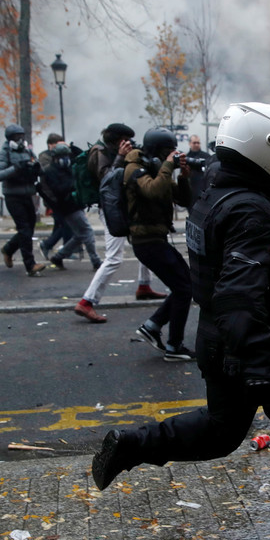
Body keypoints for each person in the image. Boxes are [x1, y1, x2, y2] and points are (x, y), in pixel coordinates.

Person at [90, 102, 270, 540]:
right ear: (264, 146)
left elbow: (229, 265)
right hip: (259, 342)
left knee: (221, 431)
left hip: (220, 337)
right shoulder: (249, 207)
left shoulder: (217, 192)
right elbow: (240, 290)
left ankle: (135, 444)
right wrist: (260, 361)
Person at [74, 123, 165, 324]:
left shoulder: (112, 150)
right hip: (110, 209)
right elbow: (107, 179)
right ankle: (86, 302)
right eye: (125, 140)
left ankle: (144, 286)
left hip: (121, 206)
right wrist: (121, 157)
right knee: (114, 258)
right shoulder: (98, 152)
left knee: (143, 241)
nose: (129, 143)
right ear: (117, 139)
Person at [125, 128, 195, 361]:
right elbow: (153, 191)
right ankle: (174, 346)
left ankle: (153, 326)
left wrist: (184, 176)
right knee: (184, 288)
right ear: (155, 151)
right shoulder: (134, 169)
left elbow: (184, 199)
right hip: (145, 240)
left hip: (155, 238)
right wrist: (167, 166)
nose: (170, 156)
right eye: (167, 151)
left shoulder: (156, 170)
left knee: (185, 284)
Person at [0, 123, 46, 276]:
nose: (20, 140)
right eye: (17, 137)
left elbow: (39, 169)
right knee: (24, 229)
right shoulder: (4, 153)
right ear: (9, 138)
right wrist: (15, 168)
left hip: (28, 194)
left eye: (21, 136)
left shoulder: (27, 151)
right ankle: (30, 264)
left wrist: (36, 168)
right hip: (12, 195)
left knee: (30, 227)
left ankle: (8, 249)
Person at [38, 143, 102, 270]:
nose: (65, 159)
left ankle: (58, 257)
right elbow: (59, 190)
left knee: (79, 235)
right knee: (87, 231)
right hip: (66, 206)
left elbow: (81, 158)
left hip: (74, 204)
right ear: (55, 157)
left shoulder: (67, 168)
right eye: (62, 156)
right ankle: (95, 260)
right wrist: (73, 184)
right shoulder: (50, 172)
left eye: (67, 155)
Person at [37, 133, 74, 259]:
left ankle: (58, 248)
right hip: (51, 195)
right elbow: (48, 171)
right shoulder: (44, 156)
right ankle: (49, 245)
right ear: (50, 145)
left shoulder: (64, 155)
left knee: (61, 223)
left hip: (61, 196)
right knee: (64, 223)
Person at [185, 134, 208, 203]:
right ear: (189, 143)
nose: (196, 145)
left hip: (203, 188)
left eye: (198, 143)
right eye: (194, 143)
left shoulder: (206, 156)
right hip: (191, 190)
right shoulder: (186, 158)